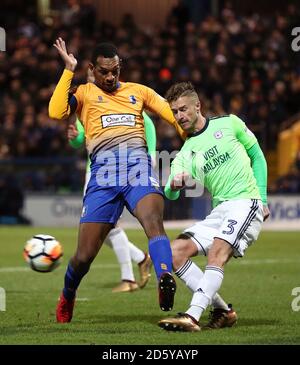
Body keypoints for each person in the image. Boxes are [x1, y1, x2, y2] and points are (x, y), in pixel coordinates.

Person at [49, 38, 186, 323]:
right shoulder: (84, 93)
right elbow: (56, 111)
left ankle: (164, 277)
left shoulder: (140, 92)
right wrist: (68, 71)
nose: (110, 77)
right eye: (104, 71)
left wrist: (191, 136)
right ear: (92, 69)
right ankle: (68, 294)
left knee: (153, 221)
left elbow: (172, 116)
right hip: (103, 176)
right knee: (84, 256)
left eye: (115, 71)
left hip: (138, 169)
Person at [158, 82, 269, 332]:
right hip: (219, 211)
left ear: (198, 106)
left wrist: (262, 199)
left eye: (183, 109)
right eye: (175, 112)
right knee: (174, 252)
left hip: (245, 202)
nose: (179, 116)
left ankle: (192, 315)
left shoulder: (229, 123)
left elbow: (258, 156)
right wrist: (174, 186)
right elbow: (169, 193)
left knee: (217, 251)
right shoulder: (186, 151)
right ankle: (222, 310)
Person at [67, 112, 156, 292]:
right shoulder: (86, 106)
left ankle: (128, 278)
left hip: (123, 168)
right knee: (99, 228)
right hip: (94, 171)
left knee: (109, 226)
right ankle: (140, 258)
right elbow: (81, 139)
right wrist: (75, 139)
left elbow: (147, 124)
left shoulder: (127, 102)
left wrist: (151, 154)